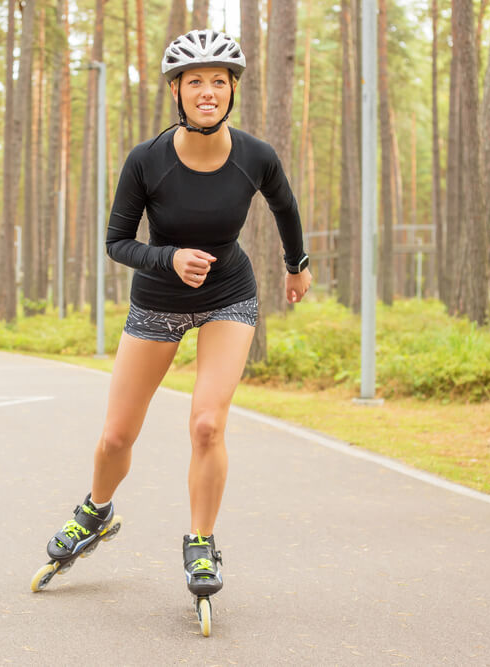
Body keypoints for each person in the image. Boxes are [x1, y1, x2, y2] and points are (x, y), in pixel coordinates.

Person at [34, 29, 312, 603]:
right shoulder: (147, 161)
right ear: (176, 92)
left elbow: (285, 207)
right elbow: (116, 241)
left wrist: (297, 265)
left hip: (229, 296)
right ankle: (96, 511)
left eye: (218, 82)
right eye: (195, 83)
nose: (207, 92)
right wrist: (169, 257)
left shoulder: (256, 156)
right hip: (157, 301)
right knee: (116, 436)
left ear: (231, 91)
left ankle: (202, 541)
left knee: (207, 424)